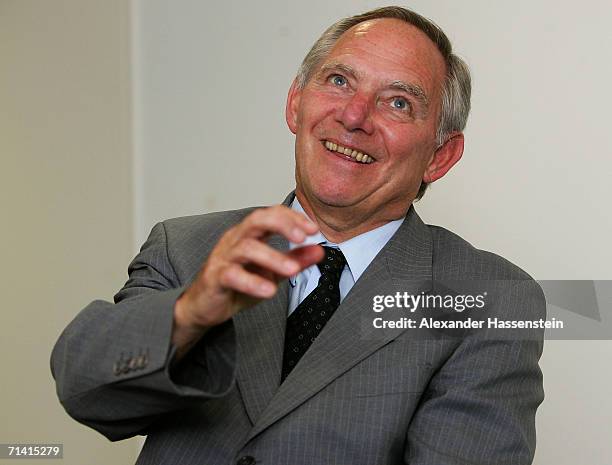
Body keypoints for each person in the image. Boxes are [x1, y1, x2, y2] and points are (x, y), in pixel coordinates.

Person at [51, 6, 545, 465]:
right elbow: (86, 389)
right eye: (338, 81)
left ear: (440, 155)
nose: (353, 117)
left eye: (397, 102)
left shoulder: (493, 299)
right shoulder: (185, 247)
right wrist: (190, 313)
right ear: (295, 103)